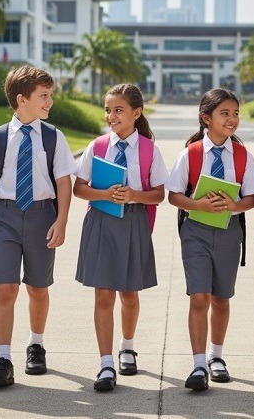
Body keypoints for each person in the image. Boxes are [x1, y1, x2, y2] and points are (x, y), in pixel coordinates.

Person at [0, 66, 77, 387]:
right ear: (22, 99)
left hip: (41, 216)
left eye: (50, 96)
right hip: (4, 216)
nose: (49, 102)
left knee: (37, 287)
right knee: (5, 287)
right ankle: (3, 359)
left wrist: (61, 221)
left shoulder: (53, 137)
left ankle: (36, 344)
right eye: (43, 96)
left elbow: (63, 183)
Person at [74, 83, 168, 392]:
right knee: (103, 294)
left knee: (129, 293)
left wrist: (134, 195)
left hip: (133, 223)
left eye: (118, 110)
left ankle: (127, 347)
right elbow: (79, 188)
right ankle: (105, 364)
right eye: (108, 109)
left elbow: (158, 195)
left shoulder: (148, 149)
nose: (111, 116)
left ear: (136, 113)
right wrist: (105, 193)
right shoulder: (98, 145)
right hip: (100, 221)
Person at [167, 88, 254, 391]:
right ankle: (198, 365)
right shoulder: (191, 153)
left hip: (230, 232)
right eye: (224, 113)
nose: (232, 119)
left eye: (235, 113)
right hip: (195, 231)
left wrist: (234, 205)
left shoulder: (243, 155)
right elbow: (174, 195)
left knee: (221, 298)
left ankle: (216, 356)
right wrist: (198, 205)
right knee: (199, 296)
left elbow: (252, 198)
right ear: (206, 118)